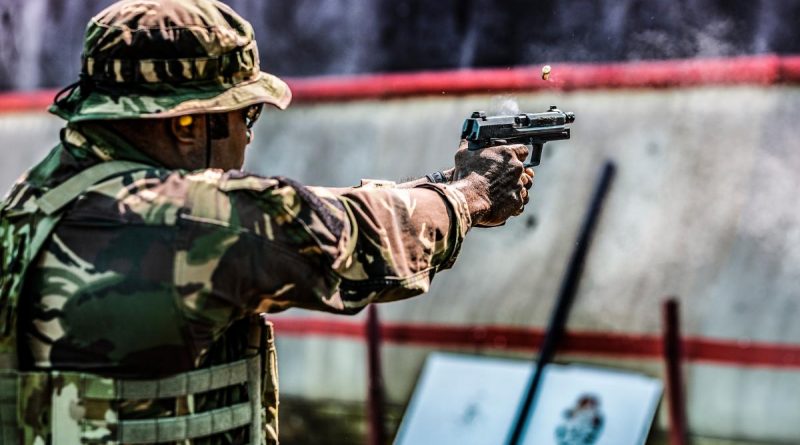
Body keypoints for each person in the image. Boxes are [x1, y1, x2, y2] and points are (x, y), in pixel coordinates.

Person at [0, 0, 533, 443]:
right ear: (187, 124)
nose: (248, 136)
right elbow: (352, 237)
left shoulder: (30, 205)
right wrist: (471, 194)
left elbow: (301, 216)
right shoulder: (190, 221)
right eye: (244, 114)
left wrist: (440, 185)